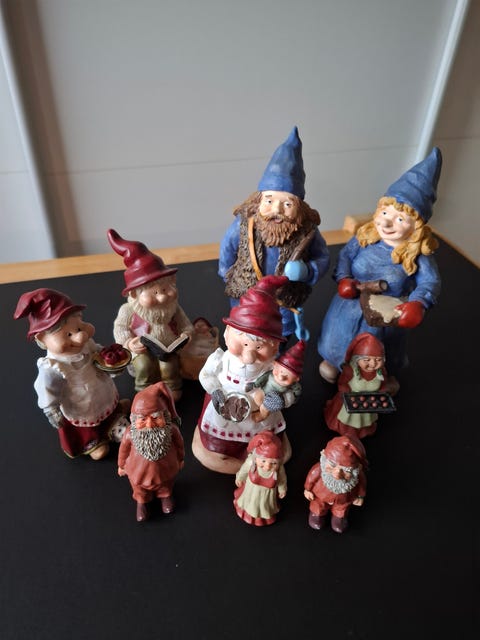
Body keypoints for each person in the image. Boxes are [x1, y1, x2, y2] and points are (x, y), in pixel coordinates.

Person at [317, 148, 442, 383]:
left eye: (400, 219)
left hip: (387, 314)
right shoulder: (365, 238)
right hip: (350, 304)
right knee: (338, 337)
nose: (386, 222)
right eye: (385, 212)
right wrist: (344, 278)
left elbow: (430, 281)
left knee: (380, 350)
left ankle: (378, 377)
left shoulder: (418, 254)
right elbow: (345, 256)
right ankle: (335, 361)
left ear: (417, 226)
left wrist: (418, 302)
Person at [219, 126, 330, 340]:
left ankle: (278, 355)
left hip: (284, 300)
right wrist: (228, 274)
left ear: (299, 207)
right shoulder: (243, 225)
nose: (276, 210)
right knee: (245, 331)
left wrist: (307, 270)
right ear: (258, 200)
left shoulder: (307, 231)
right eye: (269, 201)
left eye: (287, 204)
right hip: (246, 296)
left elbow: (322, 257)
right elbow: (227, 251)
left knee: (279, 334)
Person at [13, 288, 130, 460]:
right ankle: (93, 441)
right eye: (68, 334)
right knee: (88, 421)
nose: (80, 337)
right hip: (80, 404)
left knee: (106, 403)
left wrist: (110, 362)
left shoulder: (87, 344)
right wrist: (51, 409)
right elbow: (46, 389)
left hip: (100, 390)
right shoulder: (52, 367)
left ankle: (113, 417)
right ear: (42, 338)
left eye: (80, 327)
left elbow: (98, 355)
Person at [192, 275, 290, 475]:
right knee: (219, 444)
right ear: (227, 333)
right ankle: (224, 452)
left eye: (259, 347)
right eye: (244, 344)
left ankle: (256, 455)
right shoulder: (220, 359)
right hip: (225, 409)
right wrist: (215, 390)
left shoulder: (274, 369)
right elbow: (206, 375)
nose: (248, 356)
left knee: (266, 443)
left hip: (258, 416)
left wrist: (278, 401)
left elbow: (289, 390)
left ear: (275, 347)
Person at [108, 228, 193, 400]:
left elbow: (185, 323)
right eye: (154, 293)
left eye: (166, 289)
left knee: (169, 367)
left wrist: (187, 334)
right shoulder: (128, 310)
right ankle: (145, 391)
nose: (162, 297)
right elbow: (120, 328)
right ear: (134, 294)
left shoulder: (173, 307)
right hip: (142, 351)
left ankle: (172, 389)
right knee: (144, 366)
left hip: (168, 349)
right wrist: (128, 343)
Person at [118, 382, 184, 522]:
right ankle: (142, 502)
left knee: (166, 485)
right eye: (143, 419)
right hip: (138, 472)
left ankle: (165, 496)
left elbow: (179, 445)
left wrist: (181, 458)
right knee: (139, 489)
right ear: (134, 419)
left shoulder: (171, 430)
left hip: (166, 469)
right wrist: (121, 465)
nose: (149, 425)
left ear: (165, 416)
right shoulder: (130, 433)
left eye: (155, 418)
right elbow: (123, 450)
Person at [324, 332, 390, 439]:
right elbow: (342, 384)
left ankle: (363, 431)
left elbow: (383, 384)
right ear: (357, 359)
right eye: (367, 360)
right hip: (349, 403)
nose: (373, 364)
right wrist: (347, 395)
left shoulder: (380, 372)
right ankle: (346, 431)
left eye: (378, 360)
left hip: (368, 406)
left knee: (365, 421)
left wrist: (381, 395)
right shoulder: (350, 370)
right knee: (347, 419)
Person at [304, 435, 367, 533]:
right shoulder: (319, 469)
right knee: (318, 505)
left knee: (341, 509)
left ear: (357, 468)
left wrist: (360, 496)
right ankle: (317, 514)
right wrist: (307, 489)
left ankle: (339, 518)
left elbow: (362, 485)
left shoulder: (358, 476)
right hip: (320, 496)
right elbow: (311, 478)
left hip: (344, 500)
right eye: (332, 465)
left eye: (346, 470)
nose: (337, 474)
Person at [234, 431, 287, 526]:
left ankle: (263, 517)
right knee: (251, 504)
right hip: (251, 492)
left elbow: (282, 480)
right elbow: (244, 470)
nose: (267, 466)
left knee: (264, 507)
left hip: (267, 497)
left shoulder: (279, 469)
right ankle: (248, 513)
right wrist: (240, 478)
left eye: (273, 463)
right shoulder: (251, 462)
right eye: (263, 461)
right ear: (256, 458)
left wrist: (282, 489)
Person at [249, 339, 305, 421]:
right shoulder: (270, 374)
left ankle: (262, 415)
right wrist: (255, 384)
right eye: (280, 371)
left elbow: (297, 390)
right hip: (264, 390)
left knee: (265, 409)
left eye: (287, 376)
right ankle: (257, 407)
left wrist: (295, 398)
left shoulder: (293, 384)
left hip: (274, 399)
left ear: (296, 379)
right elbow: (263, 378)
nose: (281, 377)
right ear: (275, 365)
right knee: (257, 398)